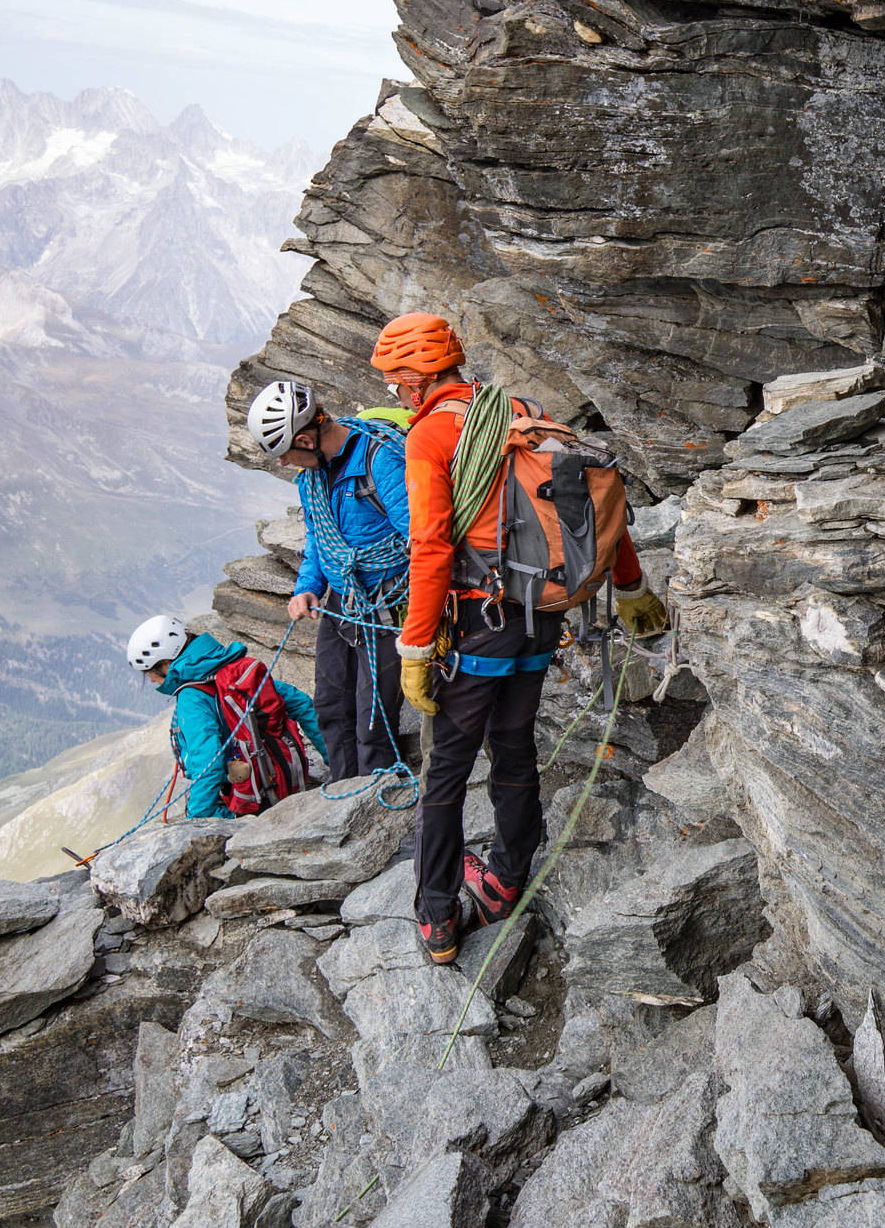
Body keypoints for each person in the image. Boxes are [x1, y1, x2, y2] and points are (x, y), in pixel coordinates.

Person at [369, 311, 667, 964]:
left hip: (482, 619)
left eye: (396, 381)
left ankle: (439, 918)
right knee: (512, 745)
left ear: (417, 379)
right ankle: (504, 877)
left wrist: (414, 649)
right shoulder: (521, 411)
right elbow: (588, 503)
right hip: (542, 613)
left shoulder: (430, 437)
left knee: (445, 767)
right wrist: (634, 587)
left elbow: (430, 549)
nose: (396, 393)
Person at [246, 380, 411, 783]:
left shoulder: (381, 460)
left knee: (374, 712)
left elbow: (420, 537)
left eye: (286, 454)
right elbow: (320, 536)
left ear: (305, 439)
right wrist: (307, 586)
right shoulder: (313, 478)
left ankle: (378, 800)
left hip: (387, 602)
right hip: (342, 600)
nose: (285, 464)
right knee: (331, 704)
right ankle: (341, 791)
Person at [126, 615, 327, 819]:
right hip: (285, 781)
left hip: (247, 801)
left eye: (149, 672)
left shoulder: (191, 698)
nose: (151, 680)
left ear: (167, 664)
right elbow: (301, 703)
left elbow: (208, 761)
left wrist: (198, 817)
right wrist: (336, 762)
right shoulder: (233, 670)